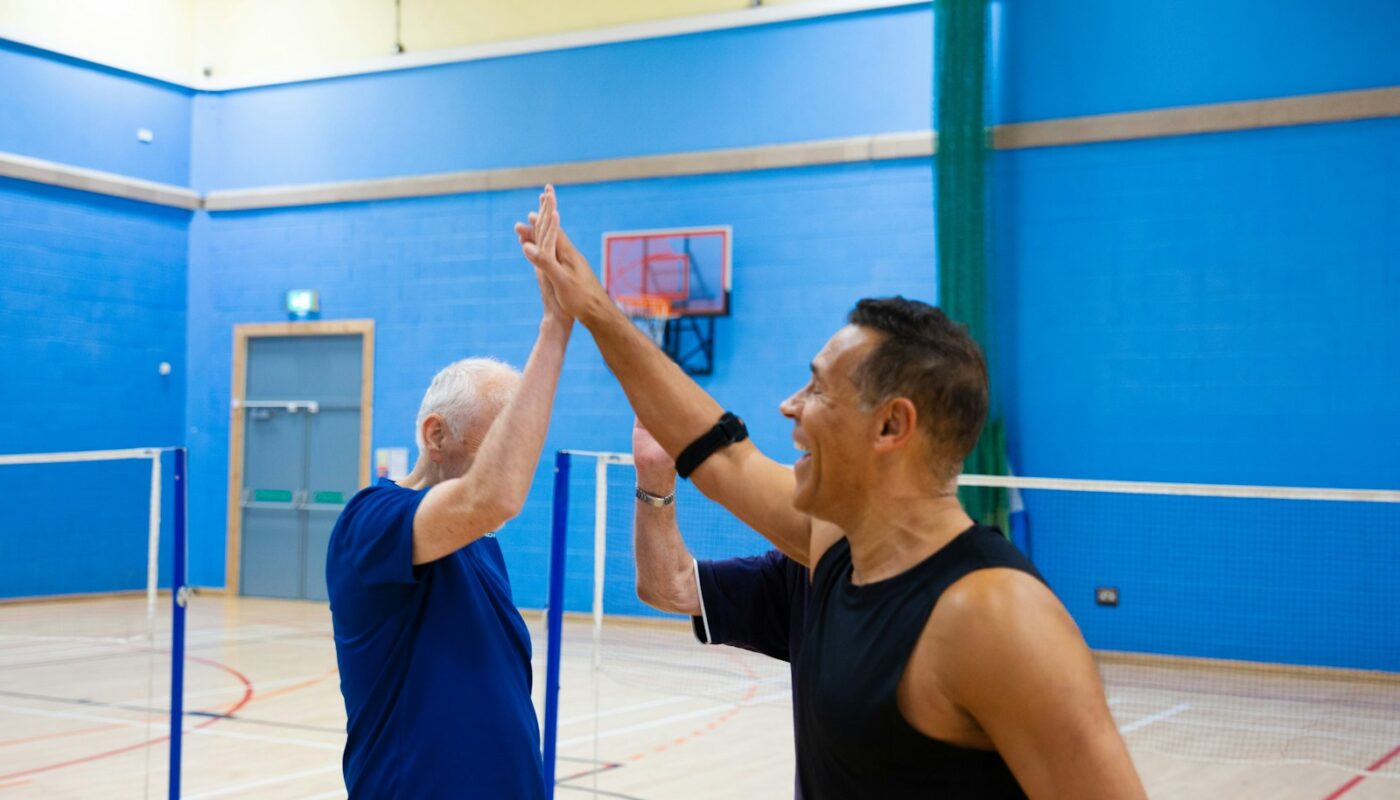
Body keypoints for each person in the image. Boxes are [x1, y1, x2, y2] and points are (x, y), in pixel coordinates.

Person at [518, 186, 1146, 799]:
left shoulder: (996, 617)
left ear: (892, 425)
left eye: (817, 390)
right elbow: (720, 454)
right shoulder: (835, 544)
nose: (789, 407)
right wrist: (594, 310)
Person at [326, 202, 572, 799]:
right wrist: (556, 325)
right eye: (506, 427)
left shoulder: (480, 547)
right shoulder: (371, 522)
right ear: (437, 435)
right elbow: (493, 496)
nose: (524, 446)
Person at [630, 417, 809, 798]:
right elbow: (670, 587)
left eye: (821, 390)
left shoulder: (954, 588)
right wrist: (654, 475)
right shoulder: (801, 571)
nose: (790, 406)